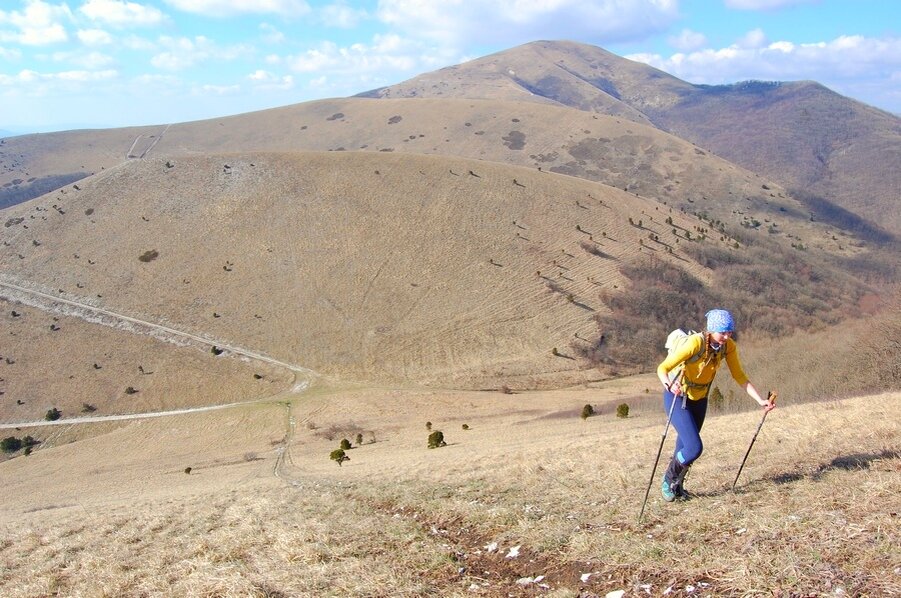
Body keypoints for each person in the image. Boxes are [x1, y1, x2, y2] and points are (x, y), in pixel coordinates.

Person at [656, 309, 776, 501]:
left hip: (700, 400)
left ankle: (676, 487)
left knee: (685, 448)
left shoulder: (728, 347)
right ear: (711, 330)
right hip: (678, 398)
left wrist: (760, 400)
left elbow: (739, 376)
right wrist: (669, 384)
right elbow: (663, 368)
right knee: (694, 448)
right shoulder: (695, 343)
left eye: (730, 332)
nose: (727, 336)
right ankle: (668, 479)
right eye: (723, 332)